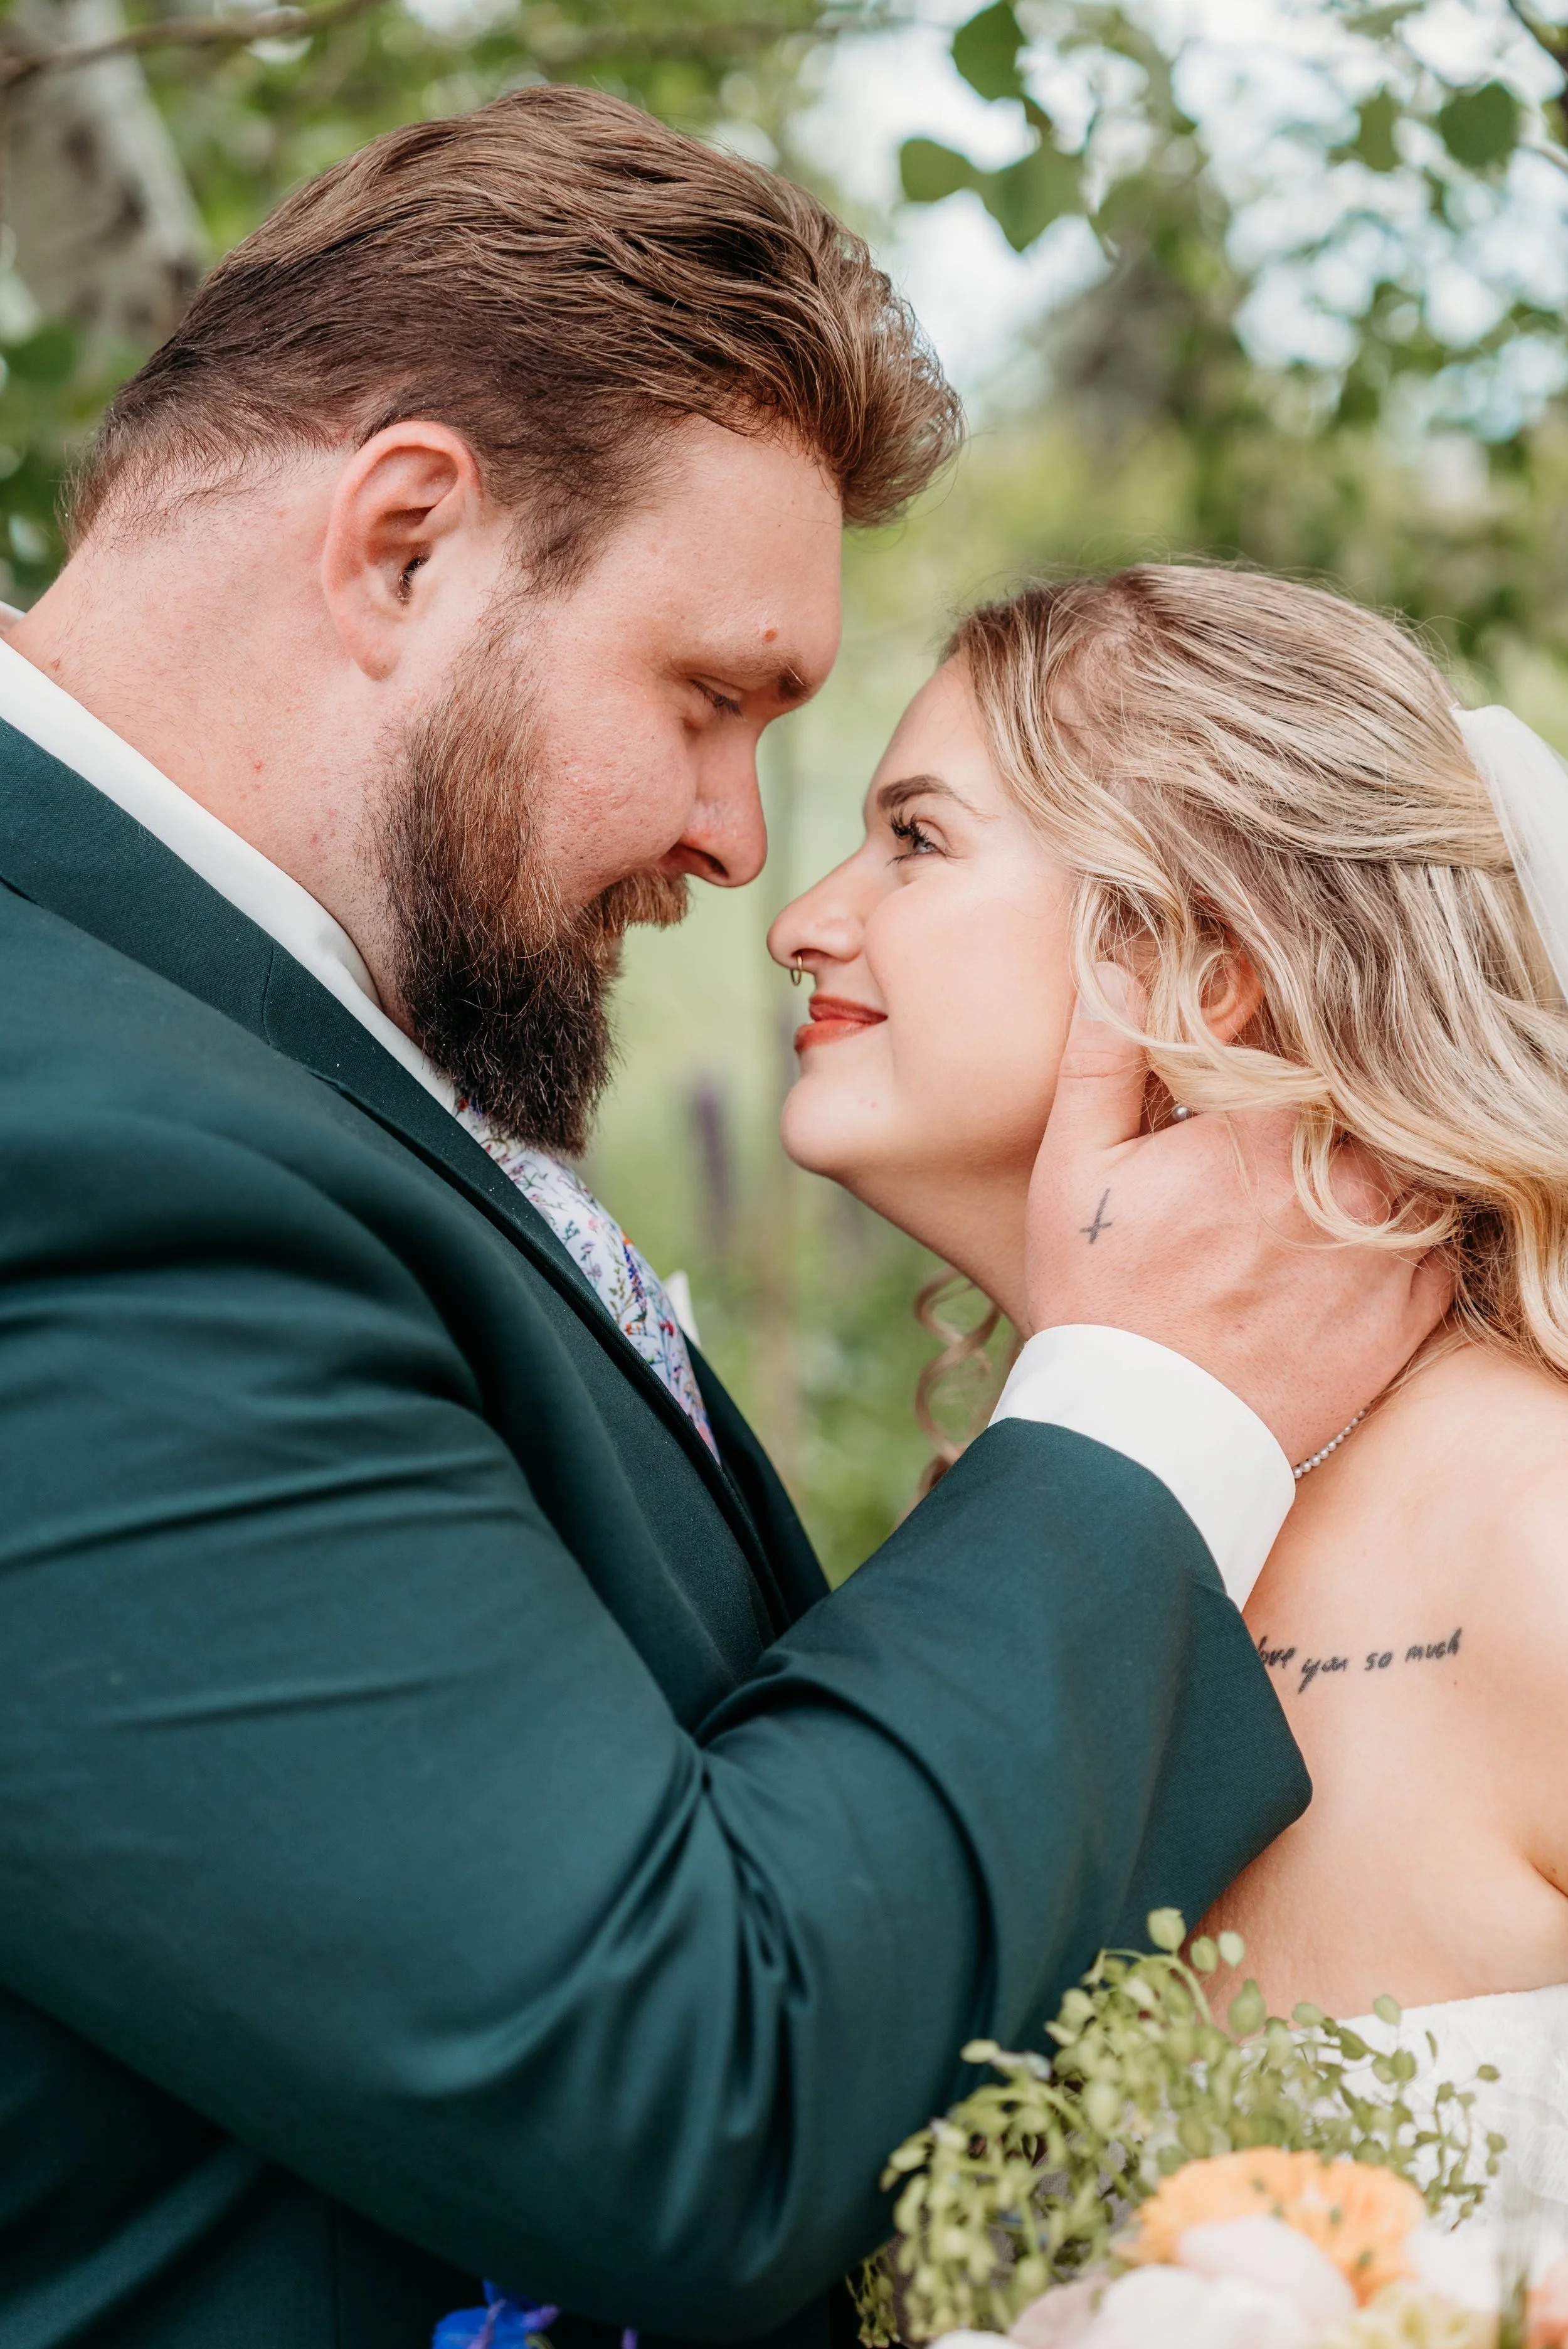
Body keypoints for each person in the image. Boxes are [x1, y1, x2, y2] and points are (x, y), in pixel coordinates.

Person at [0, 97, 1444, 2349]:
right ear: (402, 547)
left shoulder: (225, 1053)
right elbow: (687, 2098)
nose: (740, 851)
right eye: (713, 701)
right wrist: (1152, 1412)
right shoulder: (67, 1133)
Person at [770, 561, 1568, 2256]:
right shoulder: (1019, 1535)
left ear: (1195, 962)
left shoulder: (1535, 1524)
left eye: (914, 838)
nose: (801, 919)